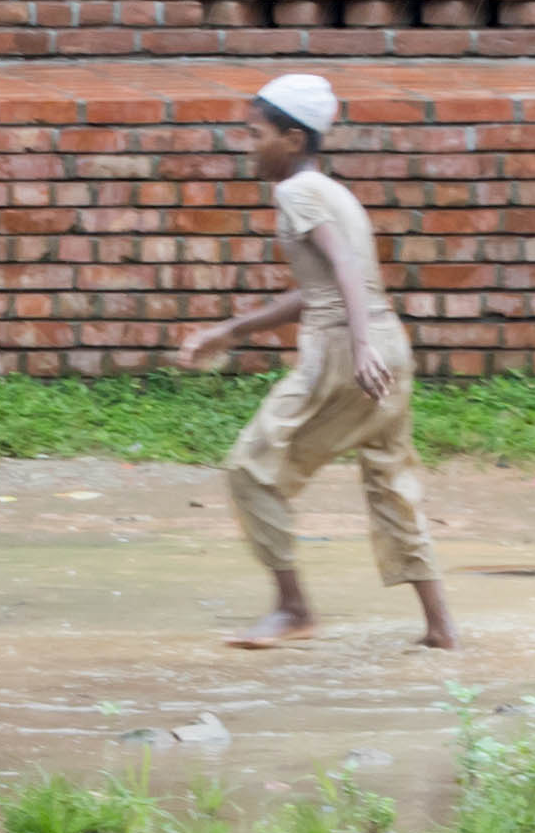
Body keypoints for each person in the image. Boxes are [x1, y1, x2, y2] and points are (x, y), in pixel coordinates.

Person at [175, 70, 457, 653]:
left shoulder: (296, 192)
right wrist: (232, 330)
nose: (248, 146)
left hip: (345, 351)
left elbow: (345, 275)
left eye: (256, 135)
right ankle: (441, 629)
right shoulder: (334, 193)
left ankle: (293, 609)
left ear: (293, 140)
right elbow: (320, 285)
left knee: (252, 468)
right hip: (388, 346)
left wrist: (355, 347)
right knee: (390, 484)